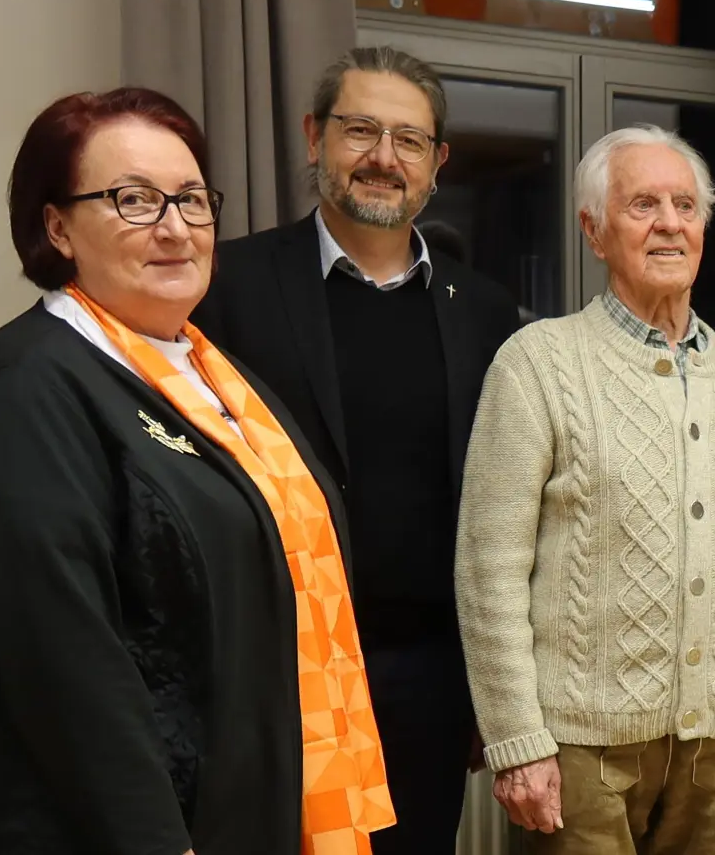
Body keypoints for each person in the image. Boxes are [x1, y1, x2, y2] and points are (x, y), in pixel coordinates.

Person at [0, 88, 391, 854]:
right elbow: (62, 669)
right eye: (133, 201)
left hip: (263, 806)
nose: (175, 228)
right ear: (56, 226)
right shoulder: (25, 388)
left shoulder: (218, 377)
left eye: (193, 200)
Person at [190, 46, 517, 854]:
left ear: (437, 163)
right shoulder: (227, 286)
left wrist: (489, 700)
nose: (382, 158)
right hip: (279, 676)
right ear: (313, 138)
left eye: (409, 140)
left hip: (431, 679)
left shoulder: (482, 311)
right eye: (360, 130)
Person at [455, 124, 715, 855]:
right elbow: (487, 569)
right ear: (594, 231)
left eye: (685, 205)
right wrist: (517, 737)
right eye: (642, 205)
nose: (669, 224)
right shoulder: (537, 365)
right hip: (581, 753)